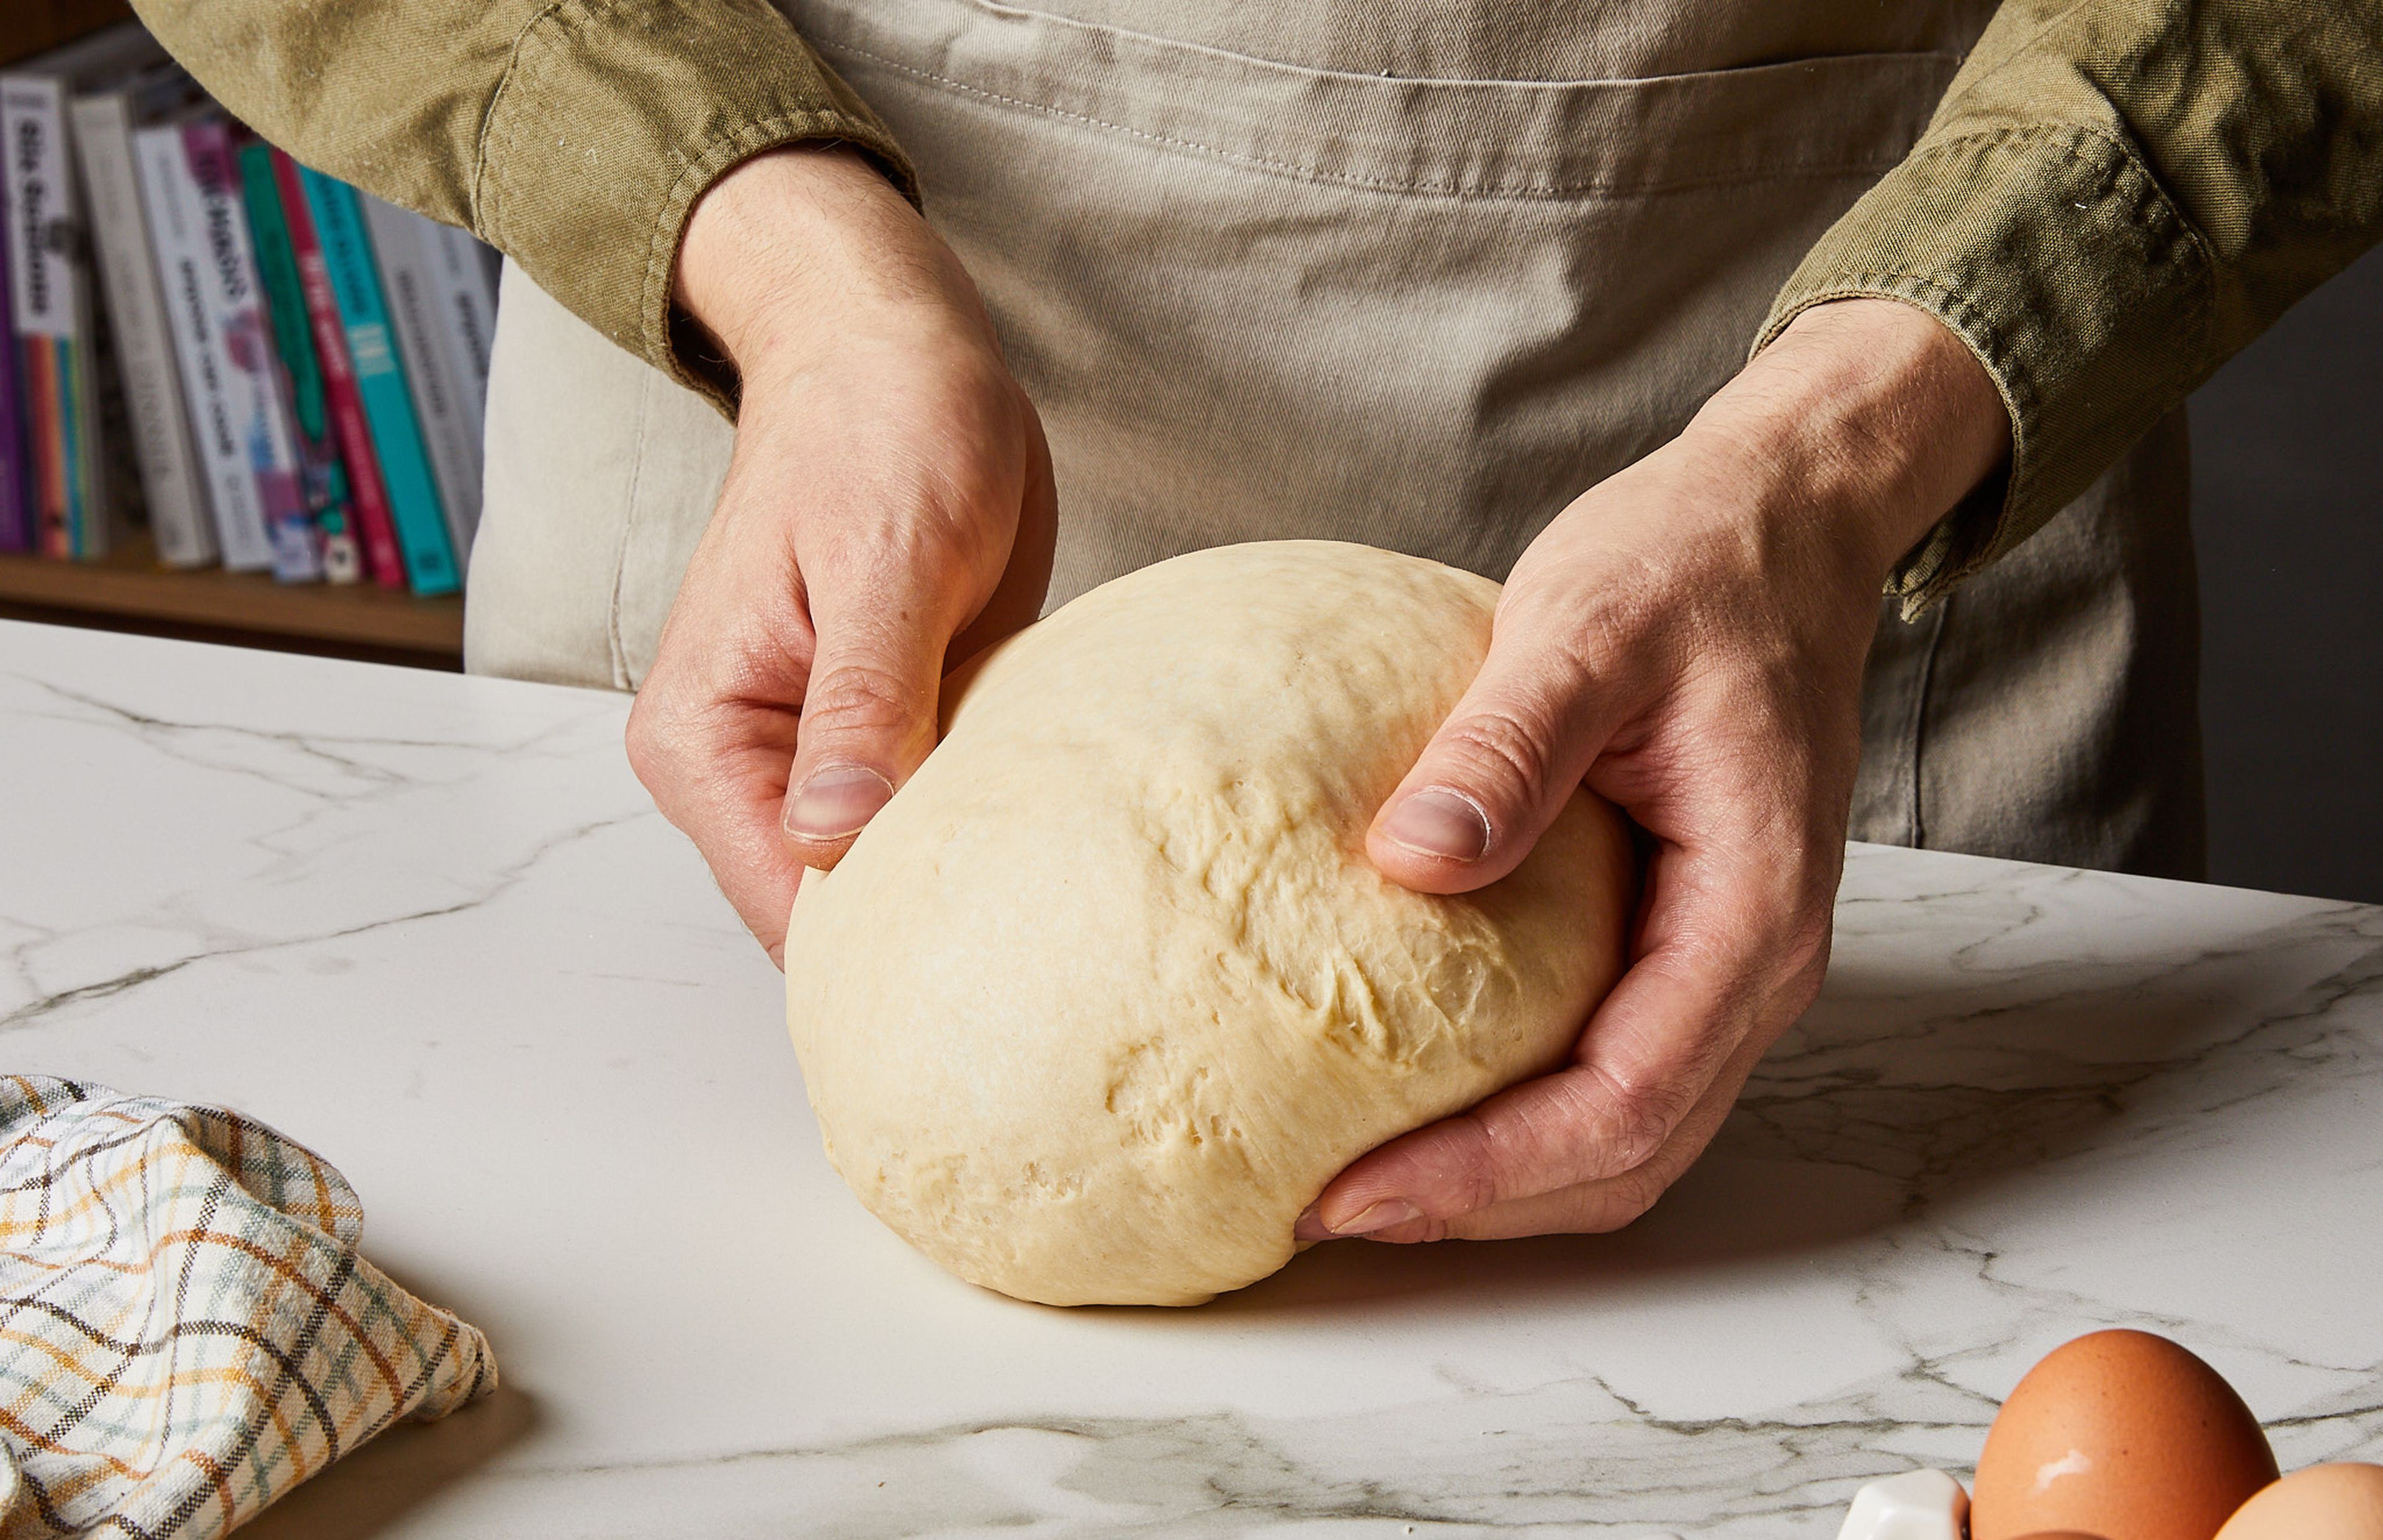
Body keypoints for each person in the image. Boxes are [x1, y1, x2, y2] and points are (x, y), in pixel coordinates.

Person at [141, 0, 2381, 1247]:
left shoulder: (1843, 465)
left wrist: (1828, 463)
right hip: (776, 384)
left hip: (1848, 416)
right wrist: (784, 267)